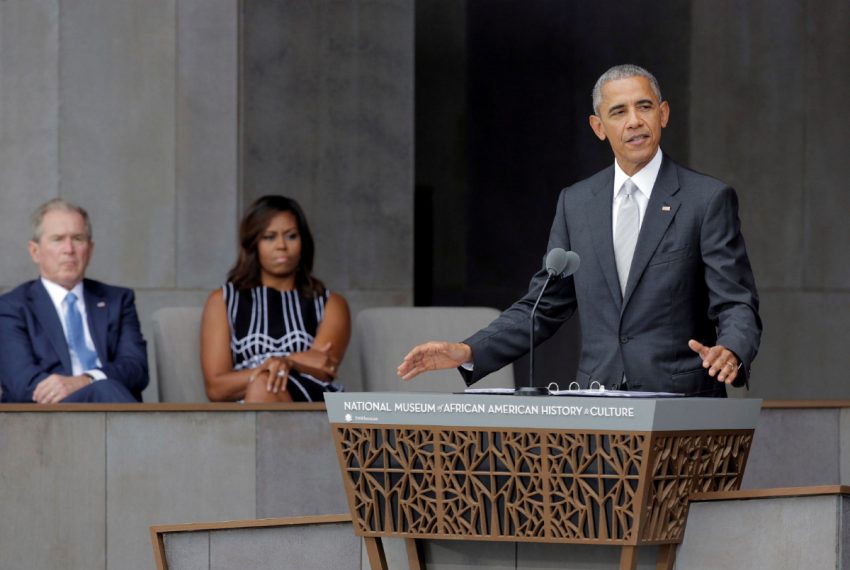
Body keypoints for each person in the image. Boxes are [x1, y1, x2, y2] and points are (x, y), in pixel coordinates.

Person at [398, 64, 761, 396]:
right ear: (598, 127)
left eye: (644, 107)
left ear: (663, 114)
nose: (634, 121)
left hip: (682, 407)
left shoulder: (706, 199)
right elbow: (541, 306)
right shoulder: (577, 203)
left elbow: (735, 301)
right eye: (619, 112)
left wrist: (731, 348)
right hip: (596, 409)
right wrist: (468, 350)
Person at [201, 195, 350, 403]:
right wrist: (280, 365)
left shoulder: (329, 303)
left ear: (303, 241)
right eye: (269, 237)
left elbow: (323, 368)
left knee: (264, 384)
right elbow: (216, 388)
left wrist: (285, 363)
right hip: (245, 404)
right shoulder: (224, 300)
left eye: (291, 236)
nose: (281, 245)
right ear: (254, 244)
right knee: (263, 383)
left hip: (311, 403)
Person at [0, 199, 149, 403]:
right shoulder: (11, 307)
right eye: (58, 239)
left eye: (78, 239)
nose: (69, 249)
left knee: (105, 389)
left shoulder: (117, 300)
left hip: (111, 405)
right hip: (46, 418)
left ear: (90, 249)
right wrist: (79, 388)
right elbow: (21, 382)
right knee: (105, 390)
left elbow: (136, 369)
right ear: (35, 251)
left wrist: (86, 380)